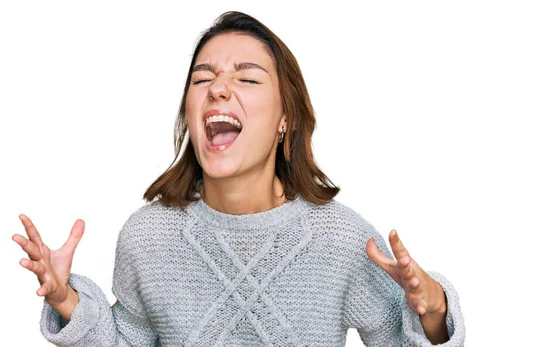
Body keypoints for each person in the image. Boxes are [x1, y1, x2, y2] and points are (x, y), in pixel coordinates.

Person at [12, 11, 465, 346]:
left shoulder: (340, 239)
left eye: (246, 79)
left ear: (286, 118)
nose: (219, 88)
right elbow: (128, 341)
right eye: (202, 78)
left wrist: (434, 308)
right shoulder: (147, 237)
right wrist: (67, 301)